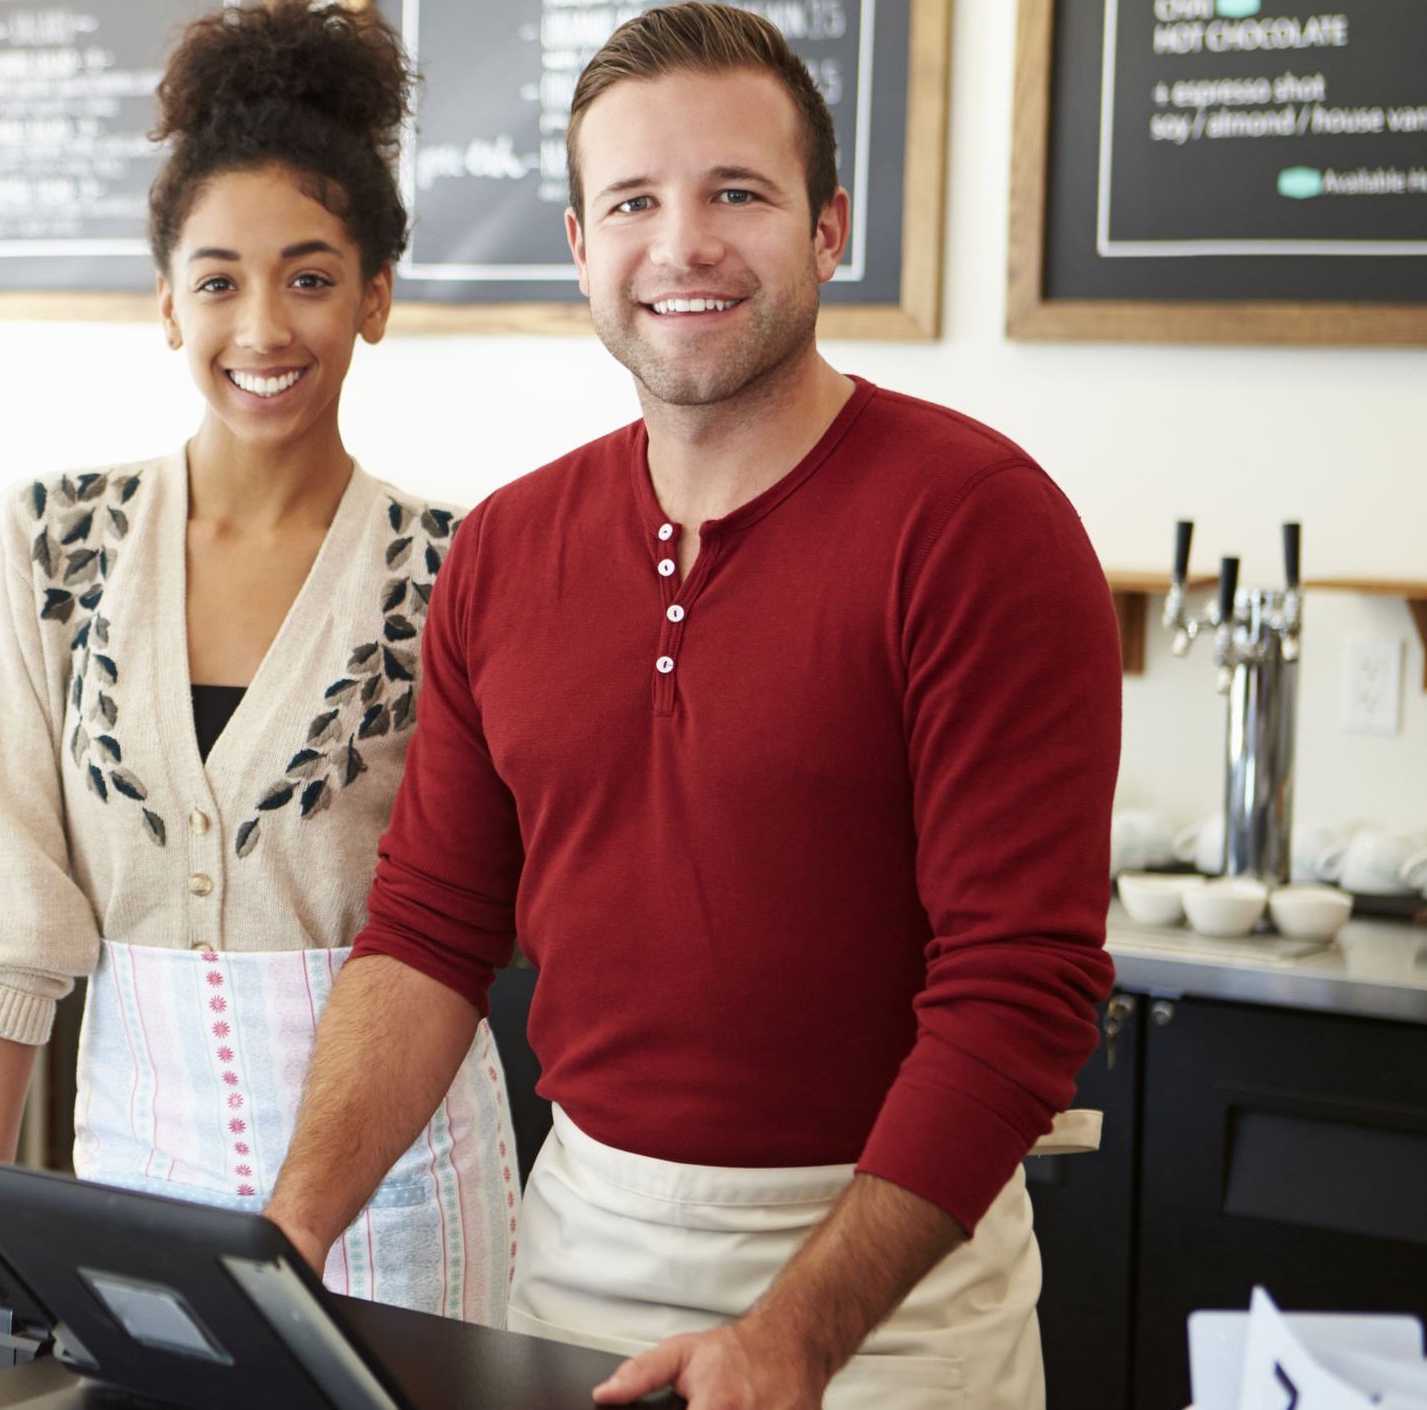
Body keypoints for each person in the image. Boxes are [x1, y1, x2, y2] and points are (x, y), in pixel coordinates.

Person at [260, 5, 1122, 1406]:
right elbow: (428, 931)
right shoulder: (505, 550)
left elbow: (1019, 992)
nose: (683, 243)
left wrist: (795, 1335)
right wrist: (290, 1228)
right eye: (635, 202)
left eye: (738, 193)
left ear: (829, 228)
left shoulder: (978, 527)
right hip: (578, 1261)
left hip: (891, 1307)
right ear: (581, 247)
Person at [0, 0, 517, 1325]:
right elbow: (6, 914)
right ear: (166, 300)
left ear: (377, 296)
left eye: (312, 275)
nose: (262, 327)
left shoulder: (459, 566)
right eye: (218, 278)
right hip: (137, 1175)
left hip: (401, 1196)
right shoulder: (51, 543)